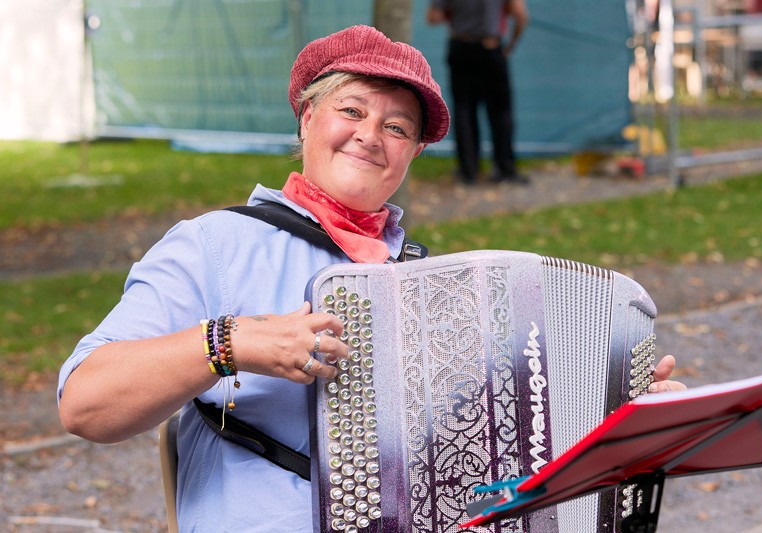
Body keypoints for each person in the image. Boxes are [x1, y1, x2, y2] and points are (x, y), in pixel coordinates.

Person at [57, 24, 685, 532]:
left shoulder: (433, 279)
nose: (370, 136)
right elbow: (85, 405)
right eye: (351, 109)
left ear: (412, 153)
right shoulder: (217, 244)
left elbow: (502, 450)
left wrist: (613, 404)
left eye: (397, 127)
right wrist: (230, 343)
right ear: (306, 120)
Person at [427, 0, 529, 185]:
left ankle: (468, 171)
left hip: (460, 46)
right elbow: (521, 16)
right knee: (500, 111)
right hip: (491, 47)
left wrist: (457, 15)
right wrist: (511, 45)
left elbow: (434, 17)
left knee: (464, 109)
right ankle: (504, 168)